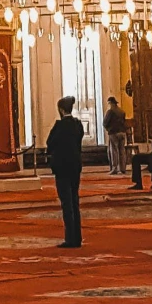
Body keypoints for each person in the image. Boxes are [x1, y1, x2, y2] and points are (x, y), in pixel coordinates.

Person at [47, 93, 85, 249]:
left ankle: (70, 238)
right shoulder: (78, 125)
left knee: (67, 203)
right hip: (75, 166)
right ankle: (77, 237)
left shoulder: (60, 126)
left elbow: (50, 143)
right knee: (74, 201)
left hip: (62, 167)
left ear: (61, 110)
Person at [103, 96, 130, 176]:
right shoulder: (122, 111)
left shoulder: (110, 111)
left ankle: (114, 168)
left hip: (114, 133)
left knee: (114, 150)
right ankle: (123, 168)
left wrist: (108, 129)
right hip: (122, 132)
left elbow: (105, 122)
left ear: (110, 103)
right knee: (122, 151)